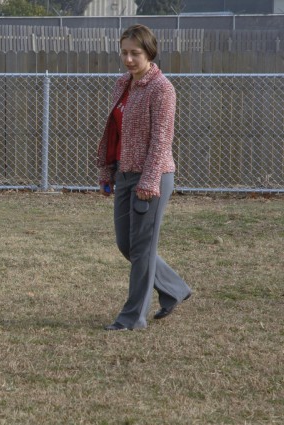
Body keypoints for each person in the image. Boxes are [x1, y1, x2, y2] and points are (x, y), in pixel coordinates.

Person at [96, 24, 191, 331]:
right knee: (128, 245)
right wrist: (107, 169)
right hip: (124, 174)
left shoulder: (162, 89)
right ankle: (175, 289)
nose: (128, 59)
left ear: (149, 53)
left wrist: (149, 182)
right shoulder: (122, 83)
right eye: (124, 52)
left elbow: (162, 140)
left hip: (153, 176)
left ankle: (131, 318)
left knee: (142, 249)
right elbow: (115, 132)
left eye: (135, 53)